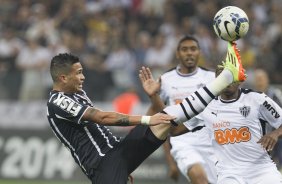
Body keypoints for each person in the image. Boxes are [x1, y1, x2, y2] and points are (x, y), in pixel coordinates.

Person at [46, 41, 245, 184]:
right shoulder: (58, 101)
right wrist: (147, 119)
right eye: (78, 73)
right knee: (160, 121)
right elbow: (102, 117)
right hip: (102, 164)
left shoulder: (77, 93)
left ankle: (225, 78)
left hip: (118, 152)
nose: (83, 76)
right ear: (63, 78)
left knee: (167, 120)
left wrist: (153, 100)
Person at [141, 65, 282, 184]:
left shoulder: (257, 99)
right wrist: (155, 97)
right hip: (229, 175)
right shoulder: (206, 107)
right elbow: (174, 130)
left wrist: (275, 134)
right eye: (222, 78)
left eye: (230, 76)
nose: (227, 81)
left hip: (261, 170)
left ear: (239, 79)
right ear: (216, 82)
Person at [145, 35, 217, 184]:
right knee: (200, 179)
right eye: (184, 49)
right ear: (177, 54)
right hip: (183, 142)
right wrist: (170, 162)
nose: (189, 53)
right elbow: (158, 117)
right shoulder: (165, 80)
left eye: (193, 49)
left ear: (199, 52)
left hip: (212, 142)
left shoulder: (212, 79)